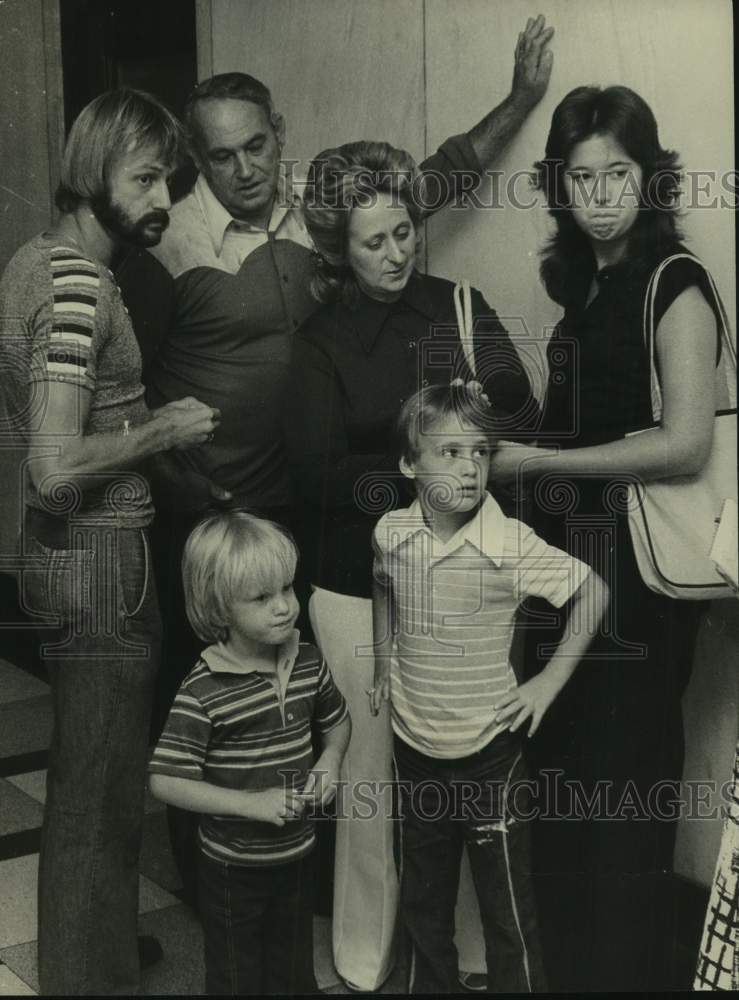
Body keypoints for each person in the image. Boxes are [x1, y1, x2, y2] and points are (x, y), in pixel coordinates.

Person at [488, 85, 732, 991]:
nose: (598, 195)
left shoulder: (675, 282)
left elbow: (687, 442)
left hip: (636, 583)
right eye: (578, 177)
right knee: (563, 788)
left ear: (649, 175)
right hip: (566, 572)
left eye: (617, 173)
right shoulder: (582, 281)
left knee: (620, 795)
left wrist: (534, 467)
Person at [283, 139, 541, 990]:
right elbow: (316, 478)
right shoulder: (321, 341)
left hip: (468, 587)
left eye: (404, 234)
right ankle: (365, 956)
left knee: (467, 770)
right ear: (336, 249)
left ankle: (460, 954)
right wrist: (427, 482)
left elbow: (524, 420)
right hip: (355, 590)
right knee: (369, 777)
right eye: (373, 242)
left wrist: (440, 479)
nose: (395, 255)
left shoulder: (460, 307)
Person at [0, 89, 220, 995]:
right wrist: (165, 433)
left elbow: (79, 420)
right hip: (97, 562)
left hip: (55, 557)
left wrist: (188, 476)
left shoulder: (31, 260)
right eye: (142, 176)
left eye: (168, 176)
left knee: (88, 777)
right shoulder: (83, 283)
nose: (162, 195)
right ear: (93, 171)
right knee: (97, 796)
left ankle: (96, 950)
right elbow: (54, 465)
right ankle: (89, 981)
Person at [370, 383, 608, 993]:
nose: (470, 467)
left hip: (489, 760)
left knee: (508, 912)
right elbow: (382, 584)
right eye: (448, 452)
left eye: (480, 451)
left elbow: (594, 593)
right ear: (408, 464)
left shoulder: (511, 544)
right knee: (423, 905)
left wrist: (548, 682)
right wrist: (380, 657)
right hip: (415, 752)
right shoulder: (391, 532)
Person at [148, 512, 351, 995]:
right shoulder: (203, 690)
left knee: (294, 969)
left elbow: (338, 721)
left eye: (286, 588)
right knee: (238, 977)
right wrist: (248, 804)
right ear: (219, 610)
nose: (283, 607)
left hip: (298, 854)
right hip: (231, 868)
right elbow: (165, 780)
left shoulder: (307, 661)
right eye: (261, 598)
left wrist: (331, 761)